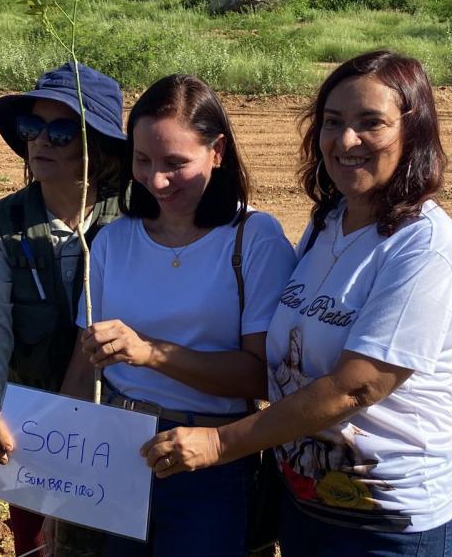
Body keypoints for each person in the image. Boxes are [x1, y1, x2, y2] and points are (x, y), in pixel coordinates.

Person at [141, 50, 452, 557]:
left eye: (371, 123)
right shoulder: (329, 223)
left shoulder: (424, 248)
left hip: (385, 519)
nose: (346, 141)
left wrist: (218, 444)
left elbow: (356, 387)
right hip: (305, 501)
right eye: (333, 122)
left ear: (413, 131)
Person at [59, 74, 297, 557]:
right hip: (118, 452)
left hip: (208, 461)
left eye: (176, 163)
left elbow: (262, 378)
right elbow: (86, 363)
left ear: (218, 152)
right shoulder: (114, 240)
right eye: (142, 161)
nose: (156, 180)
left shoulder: (254, 239)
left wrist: (151, 354)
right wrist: (58, 472)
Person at [0, 62, 127, 557]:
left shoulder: (138, 217)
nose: (41, 141)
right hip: (36, 431)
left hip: (122, 424)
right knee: (38, 545)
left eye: (61, 130)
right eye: (32, 127)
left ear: (97, 145)